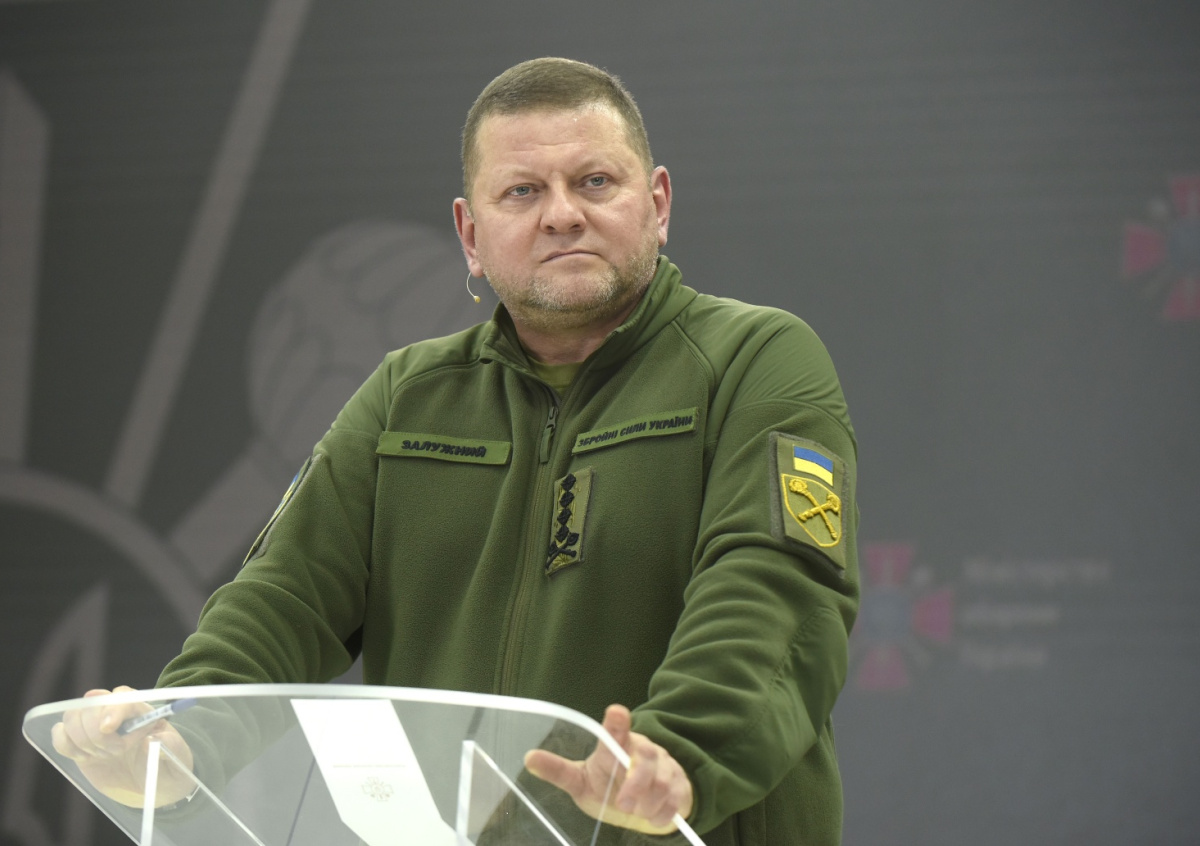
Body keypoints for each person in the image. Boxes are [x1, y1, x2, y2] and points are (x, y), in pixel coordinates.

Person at [51, 57, 860, 845]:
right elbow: (282, 600)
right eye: (523, 192)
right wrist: (179, 735)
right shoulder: (406, 396)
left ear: (658, 204)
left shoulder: (756, 360)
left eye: (594, 182)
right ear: (471, 235)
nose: (562, 214)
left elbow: (777, 591)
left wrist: (678, 756)